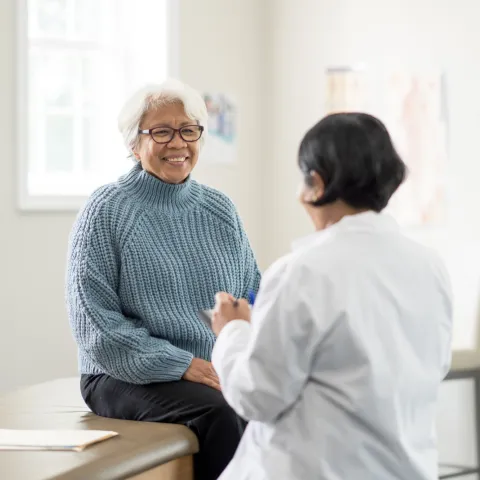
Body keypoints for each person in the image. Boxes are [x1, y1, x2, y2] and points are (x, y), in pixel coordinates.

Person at [211, 112, 453, 480]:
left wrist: (233, 332)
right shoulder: (430, 267)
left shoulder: (301, 271)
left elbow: (256, 396)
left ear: (316, 184)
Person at [66, 79, 261, 480]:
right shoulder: (107, 210)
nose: (178, 143)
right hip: (119, 372)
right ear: (133, 145)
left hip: (210, 367)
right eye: (161, 132)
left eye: (188, 130)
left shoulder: (220, 210)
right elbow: (96, 327)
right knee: (220, 413)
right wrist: (181, 363)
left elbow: (251, 294)